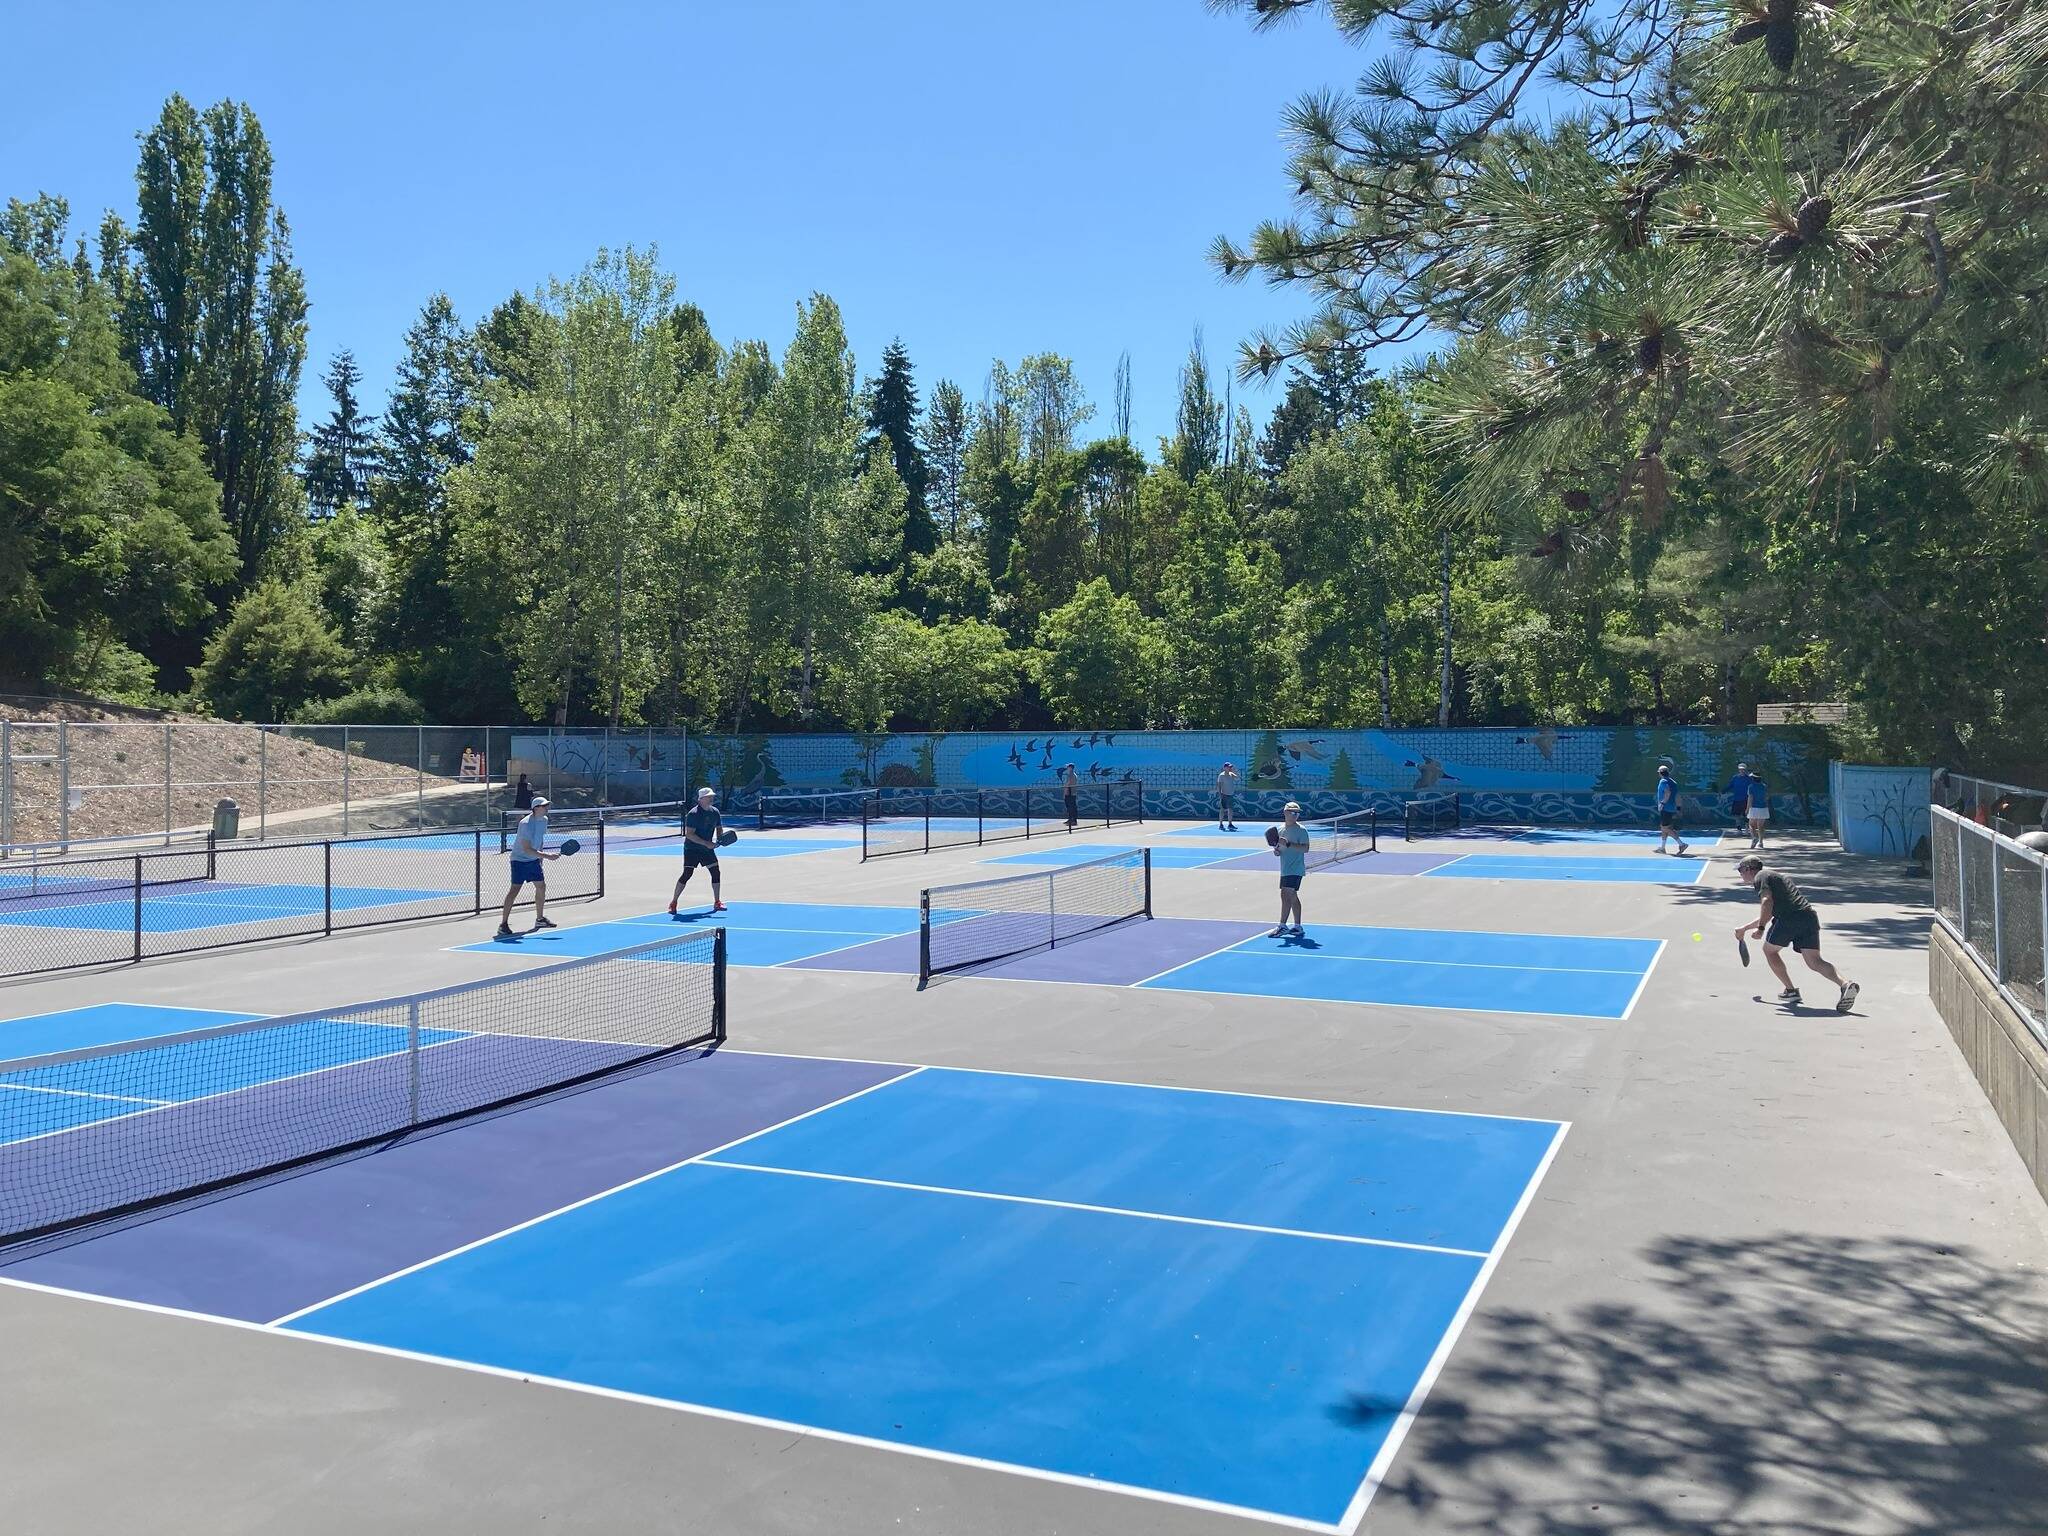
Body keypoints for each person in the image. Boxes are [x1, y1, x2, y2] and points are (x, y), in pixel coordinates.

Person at [1736, 855, 1858, 1012]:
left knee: (1769, 951)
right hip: (1808, 917)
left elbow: (1767, 902)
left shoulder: (1760, 876)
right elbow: (1770, 912)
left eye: (1740, 870)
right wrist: (1744, 928)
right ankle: (1845, 984)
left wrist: (1760, 929)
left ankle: (1791, 991)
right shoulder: (1774, 876)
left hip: (1789, 919)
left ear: (1748, 869)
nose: (1740, 873)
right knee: (1814, 961)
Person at [496, 794, 558, 939]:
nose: (547, 808)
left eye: (547, 805)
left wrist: (540, 858)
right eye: (544, 806)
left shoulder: (544, 820)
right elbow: (526, 849)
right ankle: (503, 924)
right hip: (519, 860)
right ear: (536, 808)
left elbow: (540, 840)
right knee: (514, 890)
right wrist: (547, 856)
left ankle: (540, 919)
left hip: (533, 860)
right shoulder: (525, 824)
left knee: (541, 886)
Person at [669, 786, 727, 916]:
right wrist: (707, 843)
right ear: (701, 799)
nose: (711, 798)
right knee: (687, 874)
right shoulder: (693, 814)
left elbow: (719, 828)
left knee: (716, 872)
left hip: (707, 850)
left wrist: (720, 839)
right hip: (692, 849)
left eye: (712, 796)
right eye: (708, 797)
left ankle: (717, 901)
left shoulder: (715, 812)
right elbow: (690, 834)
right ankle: (674, 902)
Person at [1272, 800, 1311, 937]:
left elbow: (1305, 848)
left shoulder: (1301, 830)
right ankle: (1298, 926)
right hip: (1285, 868)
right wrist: (1278, 851)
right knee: (1293, 896)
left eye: (1297, 813)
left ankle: (1282, 925)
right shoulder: (1280, 830)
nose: (1295, 815)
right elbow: (1279, 848)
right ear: (1285, 813)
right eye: (1292, 812)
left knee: (1285, 895)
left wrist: (1288, 844)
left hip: (1296, 869)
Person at [1654, 764, 1690, 855]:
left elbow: (1667, 792)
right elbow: (1677, 796)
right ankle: (1662, 848)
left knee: (1665, 828)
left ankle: (1681, 844)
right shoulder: (1673, 782)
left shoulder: (1663, 781)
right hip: (1671, 808)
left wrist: (1662, 803)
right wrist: (1678, 808)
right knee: (1665, 827)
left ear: (1660, 773)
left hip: (1665, 808)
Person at [1725, 762, 1753, 833]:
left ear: (1745, 770)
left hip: (1745, 799)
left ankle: (1747, 829)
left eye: (1743, 769)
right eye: (1740, 769)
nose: (1742, 770)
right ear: (1738, 770)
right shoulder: (1735, 778)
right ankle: (1739, 828)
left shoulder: (1749, 779)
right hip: (1736, 799)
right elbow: (1730, 786)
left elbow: (1753, 787)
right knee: (1736, 815)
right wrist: (1723, 791)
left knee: (1746, 815)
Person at [1745, 773, 1770, 850]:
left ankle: (1754, 838)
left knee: (1751, 825)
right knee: (1761, 826)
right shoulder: (1764, 786)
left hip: (1754, 808)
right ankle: (1761, 842)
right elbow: (1767, 797)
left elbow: (1750, 799)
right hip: (1763, 808)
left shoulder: (1751, 787)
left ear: (1753, 779)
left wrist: (1747, 809)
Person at [1216, 761, 1240, 831]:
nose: (1230, 768)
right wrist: (1220, 795)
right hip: (1224, 794)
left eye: (1230, 767)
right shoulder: (1221, 775)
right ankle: (1221, 824)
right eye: (1228, 767)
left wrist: (1234, 771)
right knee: (1222, 810)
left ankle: (1230, 824)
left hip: (1231, 794)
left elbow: (1238, 778)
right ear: (1224, 768)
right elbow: (1219, 786)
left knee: (1230, 810)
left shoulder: (1231, 774)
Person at [1061, 763, 1080, 829]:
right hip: (1072, 793)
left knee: (1071, 806)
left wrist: (1065, 792)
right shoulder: (1073, 775)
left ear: (1071, 768)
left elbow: (1068, 784)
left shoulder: (1071, 775)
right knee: (1071, 807)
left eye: (1068, 767)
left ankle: (1073, 820)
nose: (1067, 768)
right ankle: (1071, 819)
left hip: (1070, 793)